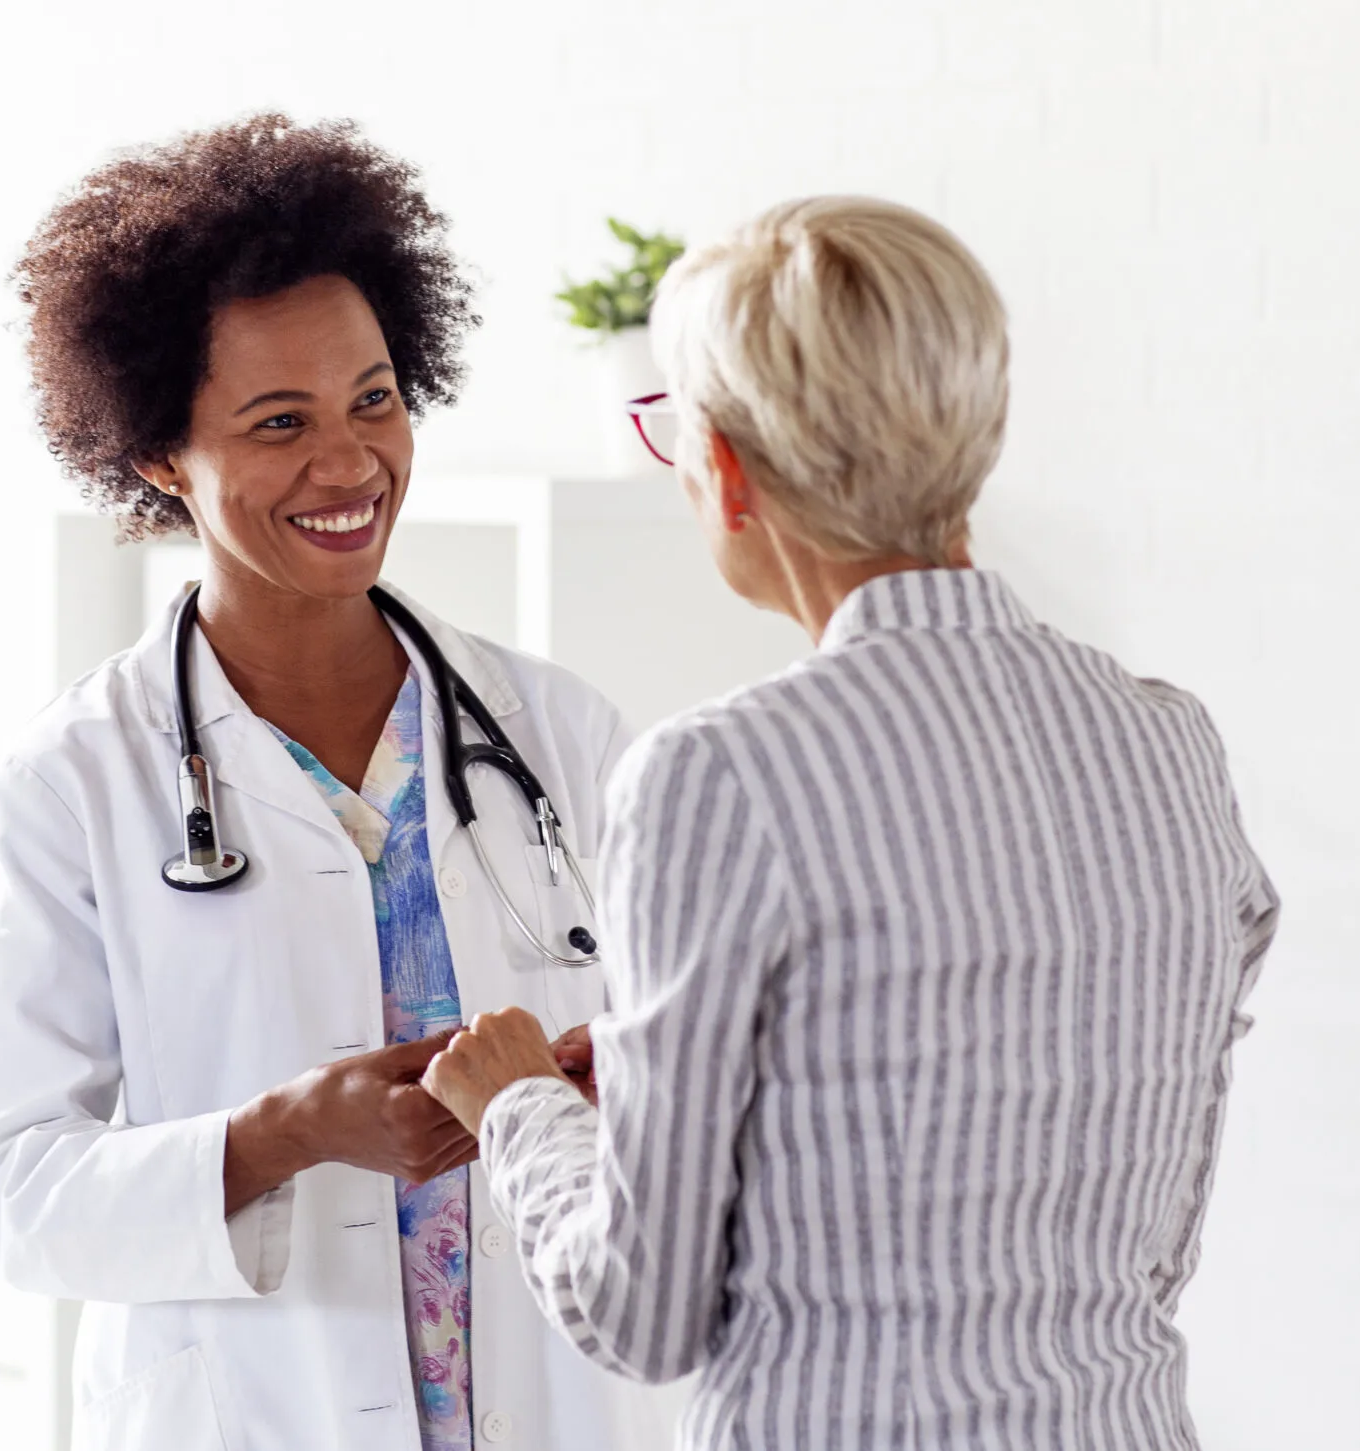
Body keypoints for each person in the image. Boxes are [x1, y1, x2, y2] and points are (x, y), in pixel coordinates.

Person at [422, 196, 1281, 1450]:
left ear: (724, 471)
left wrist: (516, 1107)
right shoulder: (1170, 743)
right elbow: (1136, 1223)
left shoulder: (714, 777)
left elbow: (639, 1312)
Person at [0, 114, 659, 1451]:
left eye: (374, 400)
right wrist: (279, 1136)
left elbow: (692, 1075)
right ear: (161, 454)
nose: (348, 463)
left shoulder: (560, 732)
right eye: (280, 423)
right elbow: (8, 1186)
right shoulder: (72, 780)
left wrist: (617, 1080)